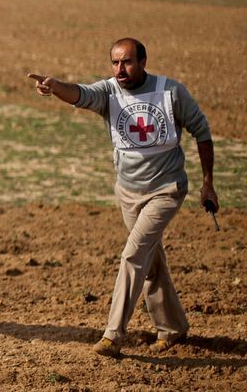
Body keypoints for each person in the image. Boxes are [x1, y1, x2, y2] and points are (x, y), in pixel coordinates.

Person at [28, 37, 219, 358]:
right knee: (151, 261)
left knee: (133, 256)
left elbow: (202, 132)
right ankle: (173, 328)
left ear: (143, 62)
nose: (121, 69)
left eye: (127, 62)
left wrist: (208, 183)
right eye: (115, 63)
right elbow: (81, 93)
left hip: (167, 189)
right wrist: (55, 86)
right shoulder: (108, 92)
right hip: (128, 192)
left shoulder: (171, 92)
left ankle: (113, 334)